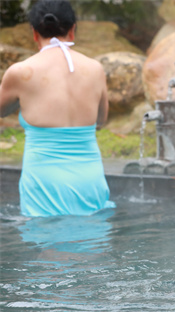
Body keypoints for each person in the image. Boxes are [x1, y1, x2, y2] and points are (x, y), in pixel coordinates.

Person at [0, 0, 114, 217]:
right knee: (91, 234)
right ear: (72, 30)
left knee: (45, 235)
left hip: (44, 183)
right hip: (89, 179)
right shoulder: (95, 69)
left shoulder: (21, 72)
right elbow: (101, 120)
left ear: (34, 33)